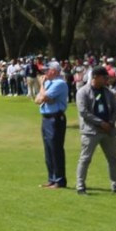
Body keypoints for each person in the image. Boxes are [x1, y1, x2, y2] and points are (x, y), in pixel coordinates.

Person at [74, 67, 116, 195]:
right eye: (104, 77)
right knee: (85, 159)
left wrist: (110, 122)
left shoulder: (108, 92)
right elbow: (84, 112)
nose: (107, 80)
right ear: (95, 77)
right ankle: (80, 185)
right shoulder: (83, 92)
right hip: (91, 131)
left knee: (112, 159)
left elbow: (115, 109)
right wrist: (100, 123)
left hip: (108, 130)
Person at [35, 60, 69, 189]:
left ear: (53, 71)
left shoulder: (59, 83)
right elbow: (37, 100)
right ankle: (52, 178)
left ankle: (59, 180)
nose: (44, 72)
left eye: (46, 70)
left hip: (55, 119)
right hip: (46, 118)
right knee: (48, 150)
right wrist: (45, 94)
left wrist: (42, 86)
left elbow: (43, 97)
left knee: (56, 149)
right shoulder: (48, 83)